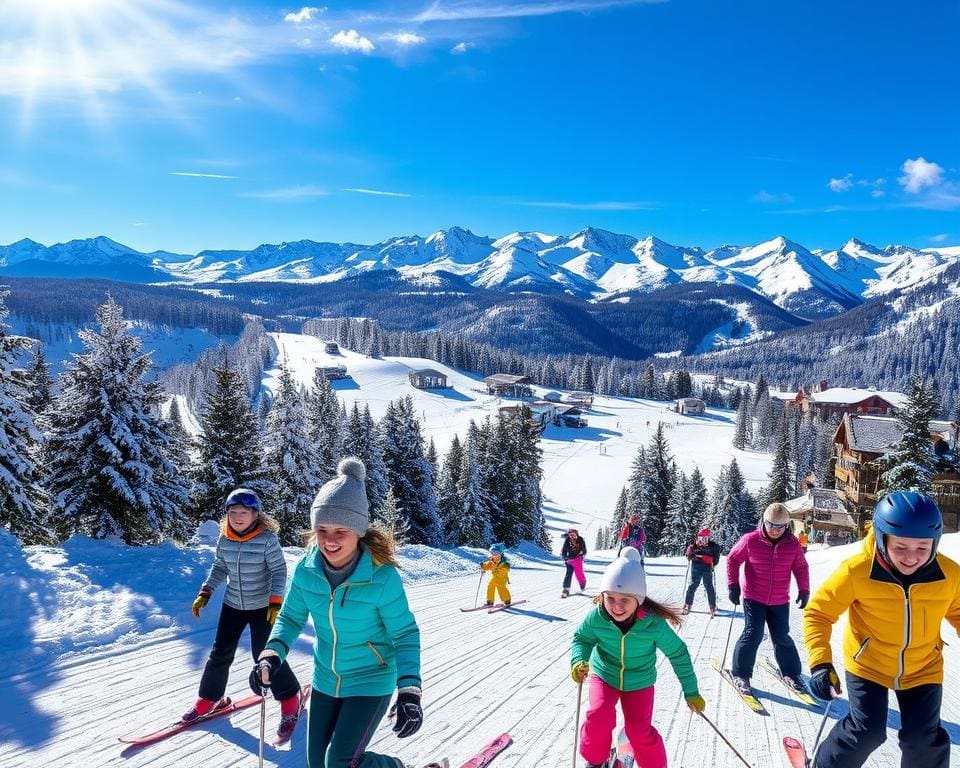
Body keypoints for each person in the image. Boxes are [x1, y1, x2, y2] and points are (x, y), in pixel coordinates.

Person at [250, 458, 443, 768]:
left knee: (339, 763)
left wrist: (409, 689)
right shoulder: (306, 570)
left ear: (358, 531)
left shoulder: (381, 577)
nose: (329, 540)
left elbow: (405, 634)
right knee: (318, 765)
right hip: (327, 678)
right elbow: (289, 618)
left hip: (371, 680)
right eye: (322, 529)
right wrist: (271, 655)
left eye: (341, 530)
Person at [804, 491, 960, 768]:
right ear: (881, 537)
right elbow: (819, 612)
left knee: (923, 739)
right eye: (901, 547)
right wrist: (820, 662)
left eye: (923, 548)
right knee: (866, 732)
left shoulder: (949, 575)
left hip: (923, 667)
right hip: (868, 665)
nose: (912, 557)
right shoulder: (857, 571)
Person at [570, 547, 705, 768]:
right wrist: (578, 661)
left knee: (639, 732)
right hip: (605, 675)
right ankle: (596, 761)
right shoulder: (597, 617)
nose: (616, 606)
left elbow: (678, 653)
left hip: (640, 682)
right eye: (610, 597)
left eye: (625, 599)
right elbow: (582, 638)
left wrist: (691, 692)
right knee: (599, 716)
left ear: (639, 600)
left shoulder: (653, 624)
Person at [186, 488, 303, 739]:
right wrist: (205, 592)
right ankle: (211, 698)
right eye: (233, 512)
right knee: (220, 652)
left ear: (255, 515)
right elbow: (219, 567)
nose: (238, 517)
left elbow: (279, 571)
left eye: (244, 512)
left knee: (265, 657)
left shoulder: (267, 539)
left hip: (263, 607)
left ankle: (291, 697)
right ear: (227, 515)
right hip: (233, 605)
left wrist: (275, 600)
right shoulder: (224, 538)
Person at [726, 502, 810, 697]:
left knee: (781, 636)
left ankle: (791, 673)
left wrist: (804, 589)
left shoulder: (792, 544)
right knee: (753, 633)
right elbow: (732, 559)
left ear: (786, 526)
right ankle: (741, 674)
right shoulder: (750, 540)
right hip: (754, 597)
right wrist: (733, 585)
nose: (773, 530)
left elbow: (800, 567)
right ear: (763, 521)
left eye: (779, 526)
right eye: (770, 524)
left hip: (780, 599)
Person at [684, 528, 720, 617]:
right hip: (702, 568)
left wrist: (696, 556)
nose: (703, 540)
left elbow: (715, 560)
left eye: (705, 538)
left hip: (701, 568)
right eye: (701, 538)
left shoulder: (696, 546)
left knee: (696, 585)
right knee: (707, 586)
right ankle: (712, 606)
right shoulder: (712, 546)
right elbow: (716, 560)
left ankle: (689, 604)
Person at [481, 542, 511, 607]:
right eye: (492, 553)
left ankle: (507, 600)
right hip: (495, 577)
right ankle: (490, 601)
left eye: (495, 553)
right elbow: (488, 565)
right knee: (490, 586)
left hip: (502, 578)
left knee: (501, 588)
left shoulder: (503, 561)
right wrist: (483, 566)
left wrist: (500, 568)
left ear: (500, 553)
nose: (494, 555)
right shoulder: (492, 561)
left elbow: (507, 568)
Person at [561, 528, 588, 598]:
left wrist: (582, 553)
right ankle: (566, 589)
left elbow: (584, 550)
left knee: (579, 574)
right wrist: (565, 557)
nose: (572, 535)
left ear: (576, 534)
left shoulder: (580, 540)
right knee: (568, 573)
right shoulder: (567, 540)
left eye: (573, 534)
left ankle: (582, 583)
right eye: (570, 534)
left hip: (578, 559)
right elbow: (564, 550)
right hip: (569, 560)